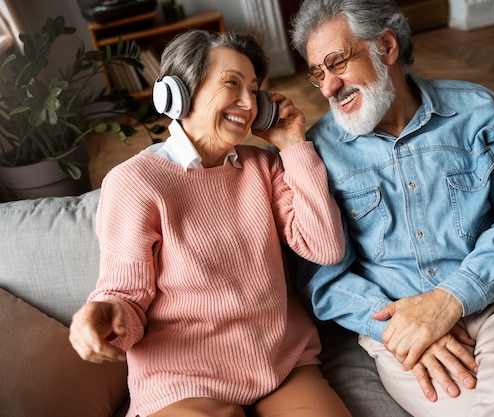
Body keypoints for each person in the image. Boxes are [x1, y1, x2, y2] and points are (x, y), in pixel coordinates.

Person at [289, 1, 494, 416]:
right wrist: (394, 327)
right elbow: (323, 278)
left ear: (386, 47)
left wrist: (450, 299)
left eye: (337, 63)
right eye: (318, 72)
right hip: (402, 323)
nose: (328, 87)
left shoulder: (478, 111)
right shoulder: (320, 154)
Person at [69, 30, 353, 417]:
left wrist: (292, 145)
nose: (248, 103)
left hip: (280, 360)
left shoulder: (265, 166)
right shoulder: (134, 182)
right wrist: (105, 315)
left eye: (255, 90)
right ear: (178, 92)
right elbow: (126, 298)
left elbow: (325, 247)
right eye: (232, 84)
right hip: (183, 374)